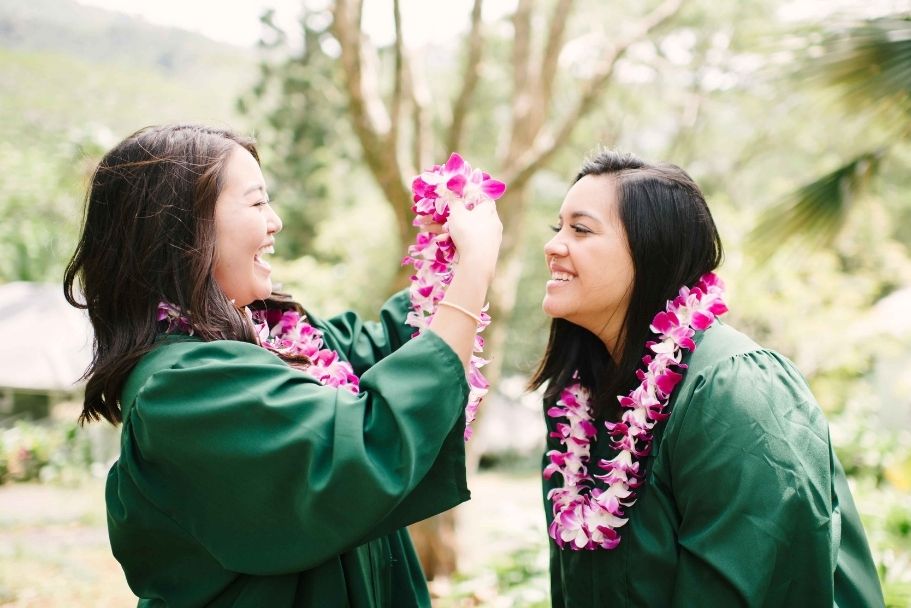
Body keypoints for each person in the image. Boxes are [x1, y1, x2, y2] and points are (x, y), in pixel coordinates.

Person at [63, 124, 502, 607]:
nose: (275, 222)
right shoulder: (182, 389)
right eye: (256, 203)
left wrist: (446, 255)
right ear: (182, 231)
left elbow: (389, 353)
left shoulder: (273, 337)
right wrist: (474, 270)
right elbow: (365, 445)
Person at [530, 150, 884, 607]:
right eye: (557, 227)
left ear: (651, 248)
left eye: (580, 229)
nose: (554, 245)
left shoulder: (733, 388)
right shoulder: (578, 401)